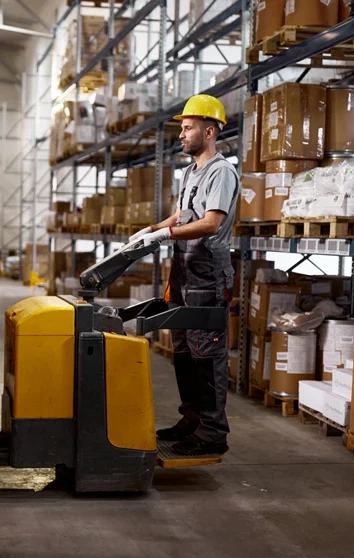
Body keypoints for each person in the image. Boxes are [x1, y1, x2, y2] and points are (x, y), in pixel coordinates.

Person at [130, 94, 239, 457]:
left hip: (207, 273)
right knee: (183, 350)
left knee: (205, 353)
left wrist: (167, 236)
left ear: (209, 132)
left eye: (188, 128)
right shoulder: (191, 172)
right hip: (183, 271)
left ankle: (212, 431)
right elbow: (182, 216)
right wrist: (153, 229)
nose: (181, 134)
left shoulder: (221, 171)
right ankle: (192, 418)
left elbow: (210, 222)